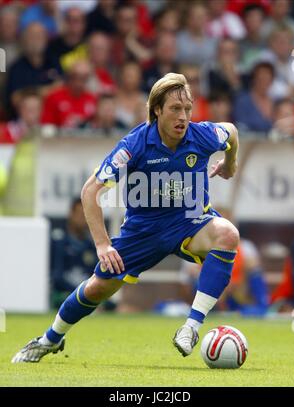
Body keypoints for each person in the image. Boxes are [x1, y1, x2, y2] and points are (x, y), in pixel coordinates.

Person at [12, 72, 239, 363]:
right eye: (174, 109)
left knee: (228, 235)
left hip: (189, 222)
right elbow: (90, 192)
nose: (183, 116)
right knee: (97, 288)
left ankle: (191, 326)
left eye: (187, 109)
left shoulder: (202, 135)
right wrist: (103, 245)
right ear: (157, 109)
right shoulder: (135, 145)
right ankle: (50, 339)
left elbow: (230, 131)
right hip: (143, 232)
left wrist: (230, 164)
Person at [50, 198, 98, 309]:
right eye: (80, 214)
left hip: (87, 293)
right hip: (64, 293)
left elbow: (95, 273)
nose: (83, 219)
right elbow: (57, 277)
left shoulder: (91, 245)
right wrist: (80, 293)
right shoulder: (59, 241)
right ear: (71, 214)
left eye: (86, 215)